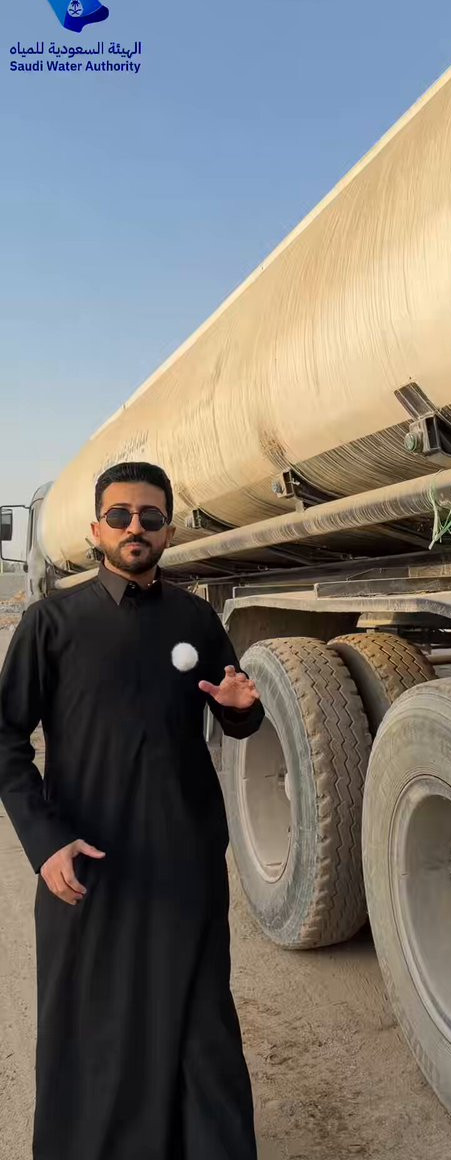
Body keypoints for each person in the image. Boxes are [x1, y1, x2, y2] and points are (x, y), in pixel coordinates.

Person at [0, 461, 265, 1160]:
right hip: (89, 863)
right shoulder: (51, 622)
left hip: (184, 859)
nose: (134, 527)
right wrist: (45, 841)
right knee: (97, 1024)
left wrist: (243, 709)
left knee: (199, 1021)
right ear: (96, 530)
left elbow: (234, 713)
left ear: (168, 532)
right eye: (119, 516)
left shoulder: (196, 619)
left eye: (150, 517)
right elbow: (6, 740)